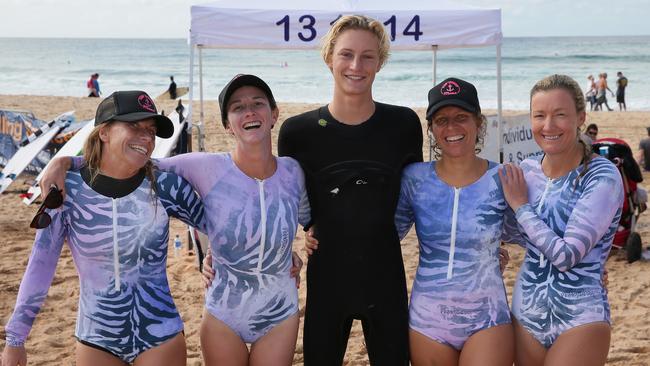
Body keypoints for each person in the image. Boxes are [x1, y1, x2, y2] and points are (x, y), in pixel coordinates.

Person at [41, 75, 308, 365]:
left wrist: (282, 249)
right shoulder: (204, 166)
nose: (250, 111)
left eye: (258, 103)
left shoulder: (293, 172)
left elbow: (307, 219)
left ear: (275, 114)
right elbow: (132, 161)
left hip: (279, 309)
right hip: (224, 313)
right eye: (237, 107)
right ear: (227, 126)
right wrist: (65, 162)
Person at [2, 90, 207, 366]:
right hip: (97, 338)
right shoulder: (66, 191)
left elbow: (218, 226)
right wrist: (16, 339)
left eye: (150, 130)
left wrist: (215, 256)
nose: (146, 137)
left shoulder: (164, 186)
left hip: (161, 334)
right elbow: (40, 265)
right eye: (134, 126)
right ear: (104, 133)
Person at [278, 15, 423, 365]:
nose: (356, 65)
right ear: (329, 58)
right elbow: (287, 199)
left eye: (368, 56)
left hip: (384, 274)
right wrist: (306, 229)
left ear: (380, 62)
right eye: (346, 54)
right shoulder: (298, 133)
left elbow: (419, 195)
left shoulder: (403, 125)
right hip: (327, 278)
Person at [500, 74, 623, 365]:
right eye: (539, 115)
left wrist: (520, 206)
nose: (548, 126)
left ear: (581, 117)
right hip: (525, 314)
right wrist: (492, 250)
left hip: (580, 317)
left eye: (560, 115)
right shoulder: (526, 171)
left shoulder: (601, 175)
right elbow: (509, 232)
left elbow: (567, 256)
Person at [394, 77, 514, 366]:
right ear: (432, 129)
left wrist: (588, 265)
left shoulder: (504, 178)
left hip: (487, 317)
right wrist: (319, 235)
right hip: (428, 320)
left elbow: (534, 237)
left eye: (462, 117)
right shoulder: (414, 178)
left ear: (479, 123)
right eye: (441, 120)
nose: (451, 128)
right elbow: (385, 236)